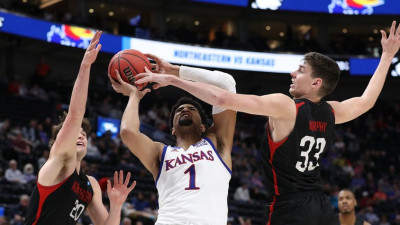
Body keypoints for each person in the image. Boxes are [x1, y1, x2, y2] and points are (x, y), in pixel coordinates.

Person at [134, 21, 400, 225]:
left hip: (289, 206)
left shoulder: (285, 106)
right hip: (320, 205)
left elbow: (223, 96)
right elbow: (366, 102)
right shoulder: (332, 111)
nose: (292, 73)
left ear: (316, 83)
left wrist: (173, 78)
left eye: (301, 71)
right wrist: (386, 56)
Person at [108, 55, 237, 224]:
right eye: (179, 110)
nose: (185, 110)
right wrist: (134, 96)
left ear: (203, 127)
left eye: (192, 109)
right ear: (173, 130)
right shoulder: (160, 152)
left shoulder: (217, 143)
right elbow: (127, 132)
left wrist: (174, 71)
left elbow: (226, 83)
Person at [24, 31, 136, 225]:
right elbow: (75, 115)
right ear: (61, 140)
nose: (80, 135)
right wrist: (85, 67)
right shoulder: (58, 162)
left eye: (84, 134)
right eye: (75, 132)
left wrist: (116, 206)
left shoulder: (90, 185)